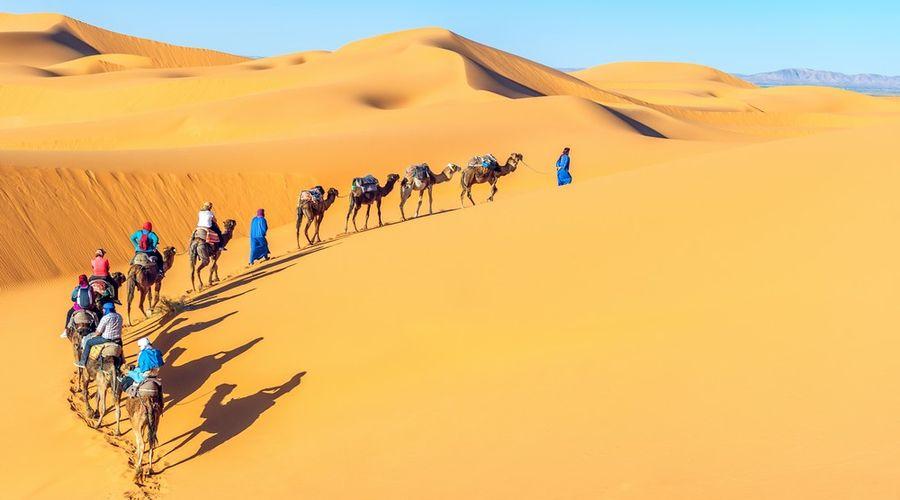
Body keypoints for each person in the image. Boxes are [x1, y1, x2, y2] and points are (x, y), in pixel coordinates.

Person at [74, 302, 122, 368]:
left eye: (104, 309)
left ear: (107, 309)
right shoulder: (119, 316)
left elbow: (98, 332)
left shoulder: (105, 318)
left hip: (106, 339)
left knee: (88, 342)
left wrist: (94, 336)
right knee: (120, 351)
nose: (103, 310)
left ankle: (82, 362)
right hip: (118, 340)